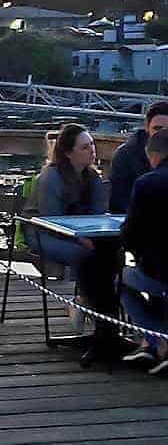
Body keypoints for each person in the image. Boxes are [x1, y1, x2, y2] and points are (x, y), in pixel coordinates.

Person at [23, 124, 117, 366]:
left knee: (109, 253)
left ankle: (99, 321)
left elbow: (98, 215)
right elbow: (51, 219)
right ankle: (102, 324)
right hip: (46, 233)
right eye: (85, 147)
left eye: (92, 146)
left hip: (83, 233)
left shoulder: (92, 177)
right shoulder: (51, 177)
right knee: (86, 257)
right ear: (68, 152)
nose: (92, 151)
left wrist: (92, 237)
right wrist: (80, 238)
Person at [120, 128, 168, 373]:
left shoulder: (148, 183)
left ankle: (157, 340)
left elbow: (130, 233)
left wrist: (136, 253)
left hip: (158, 273)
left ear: (153, 156)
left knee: (119, 281)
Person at [110, 101, 168, 213]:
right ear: (147, 127)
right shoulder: (126, 155)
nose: (162, 134)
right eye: (157, 128)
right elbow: (118, 201)